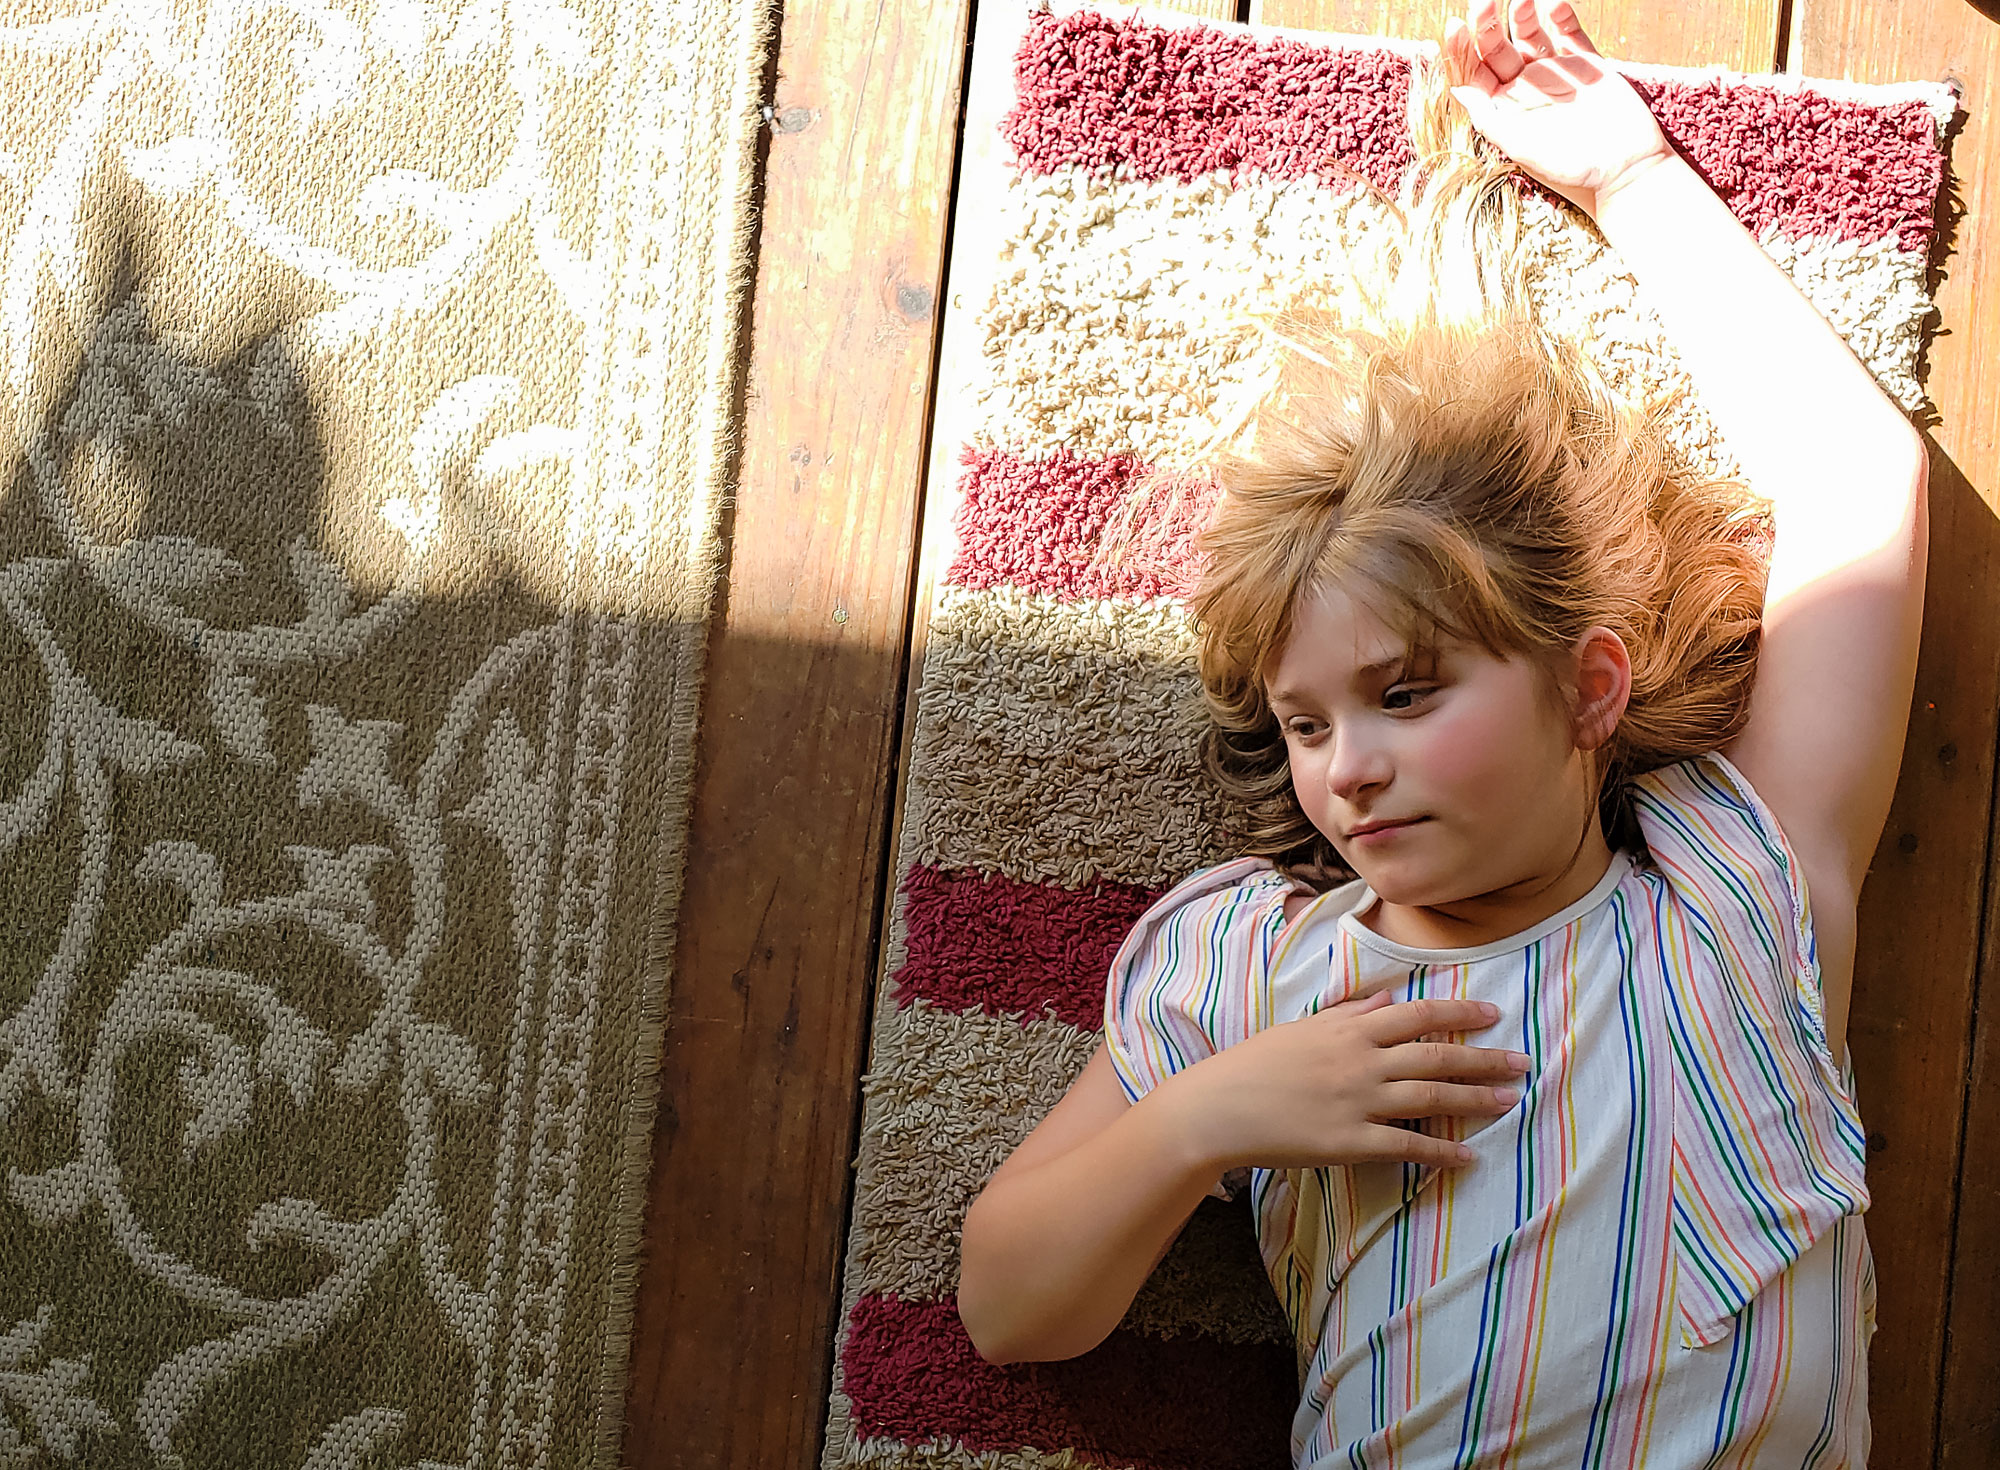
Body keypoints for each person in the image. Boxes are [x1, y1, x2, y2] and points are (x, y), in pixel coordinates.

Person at [955, 0, 1928, 1463]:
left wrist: (1631, 181)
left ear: (1590, 688)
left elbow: (1857, 486)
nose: (1346, 762)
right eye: (1305, 720)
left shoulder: (1739, 892)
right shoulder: (1253, 965)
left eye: (1406, 693)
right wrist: (1208, 1119)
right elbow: (1010, 1303)